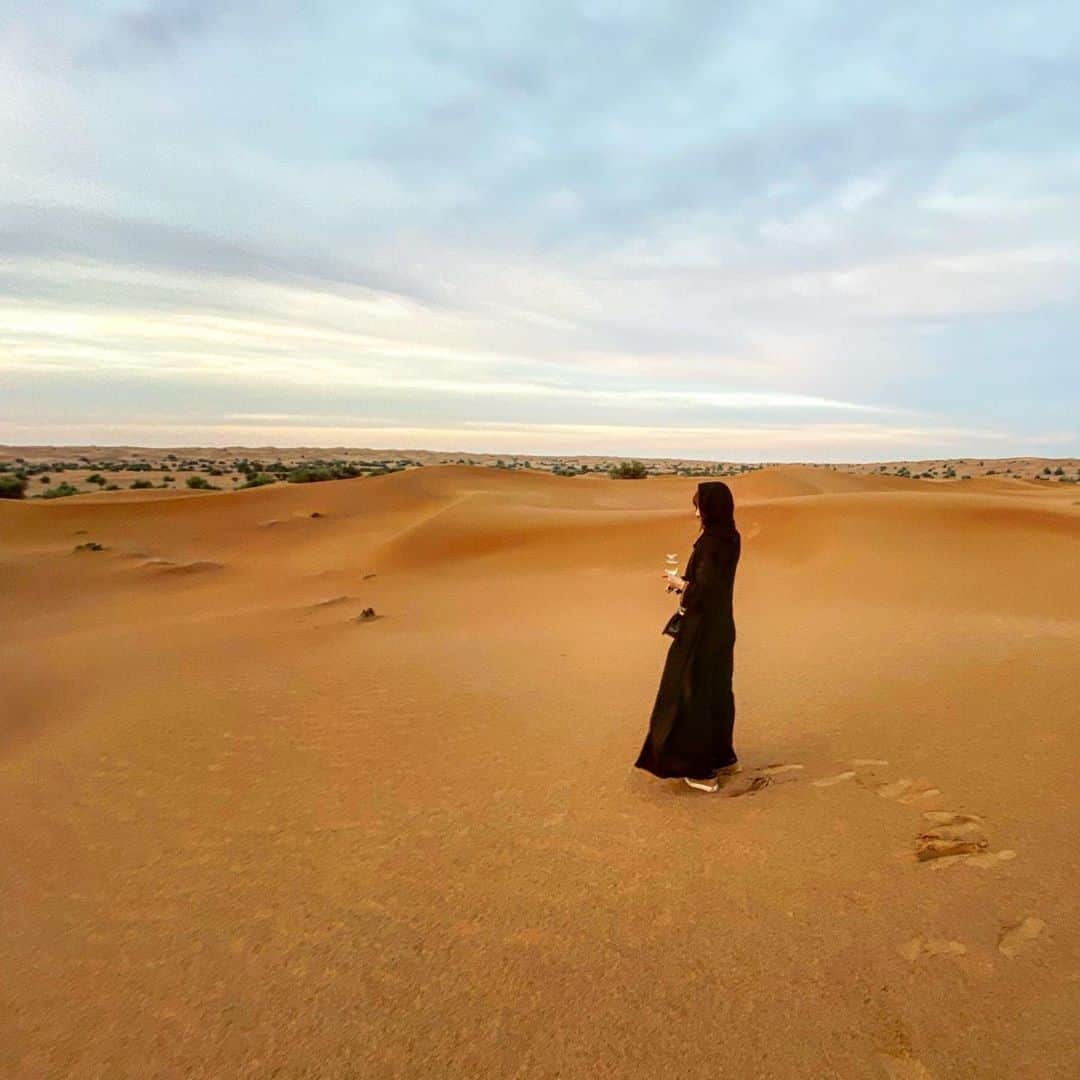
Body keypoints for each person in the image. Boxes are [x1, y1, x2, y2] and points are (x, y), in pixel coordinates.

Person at [634, 481, 741, 792]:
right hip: (722, 627)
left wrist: (680, 584)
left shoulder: (710, 542)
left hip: (702, 630)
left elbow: (705, 591)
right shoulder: (730, 536)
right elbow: (714, 585)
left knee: (688, 693)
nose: (696, 513)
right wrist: (685, 582)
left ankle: (701, 771)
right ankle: (724, 759)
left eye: (699, 506)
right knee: (717, 691)